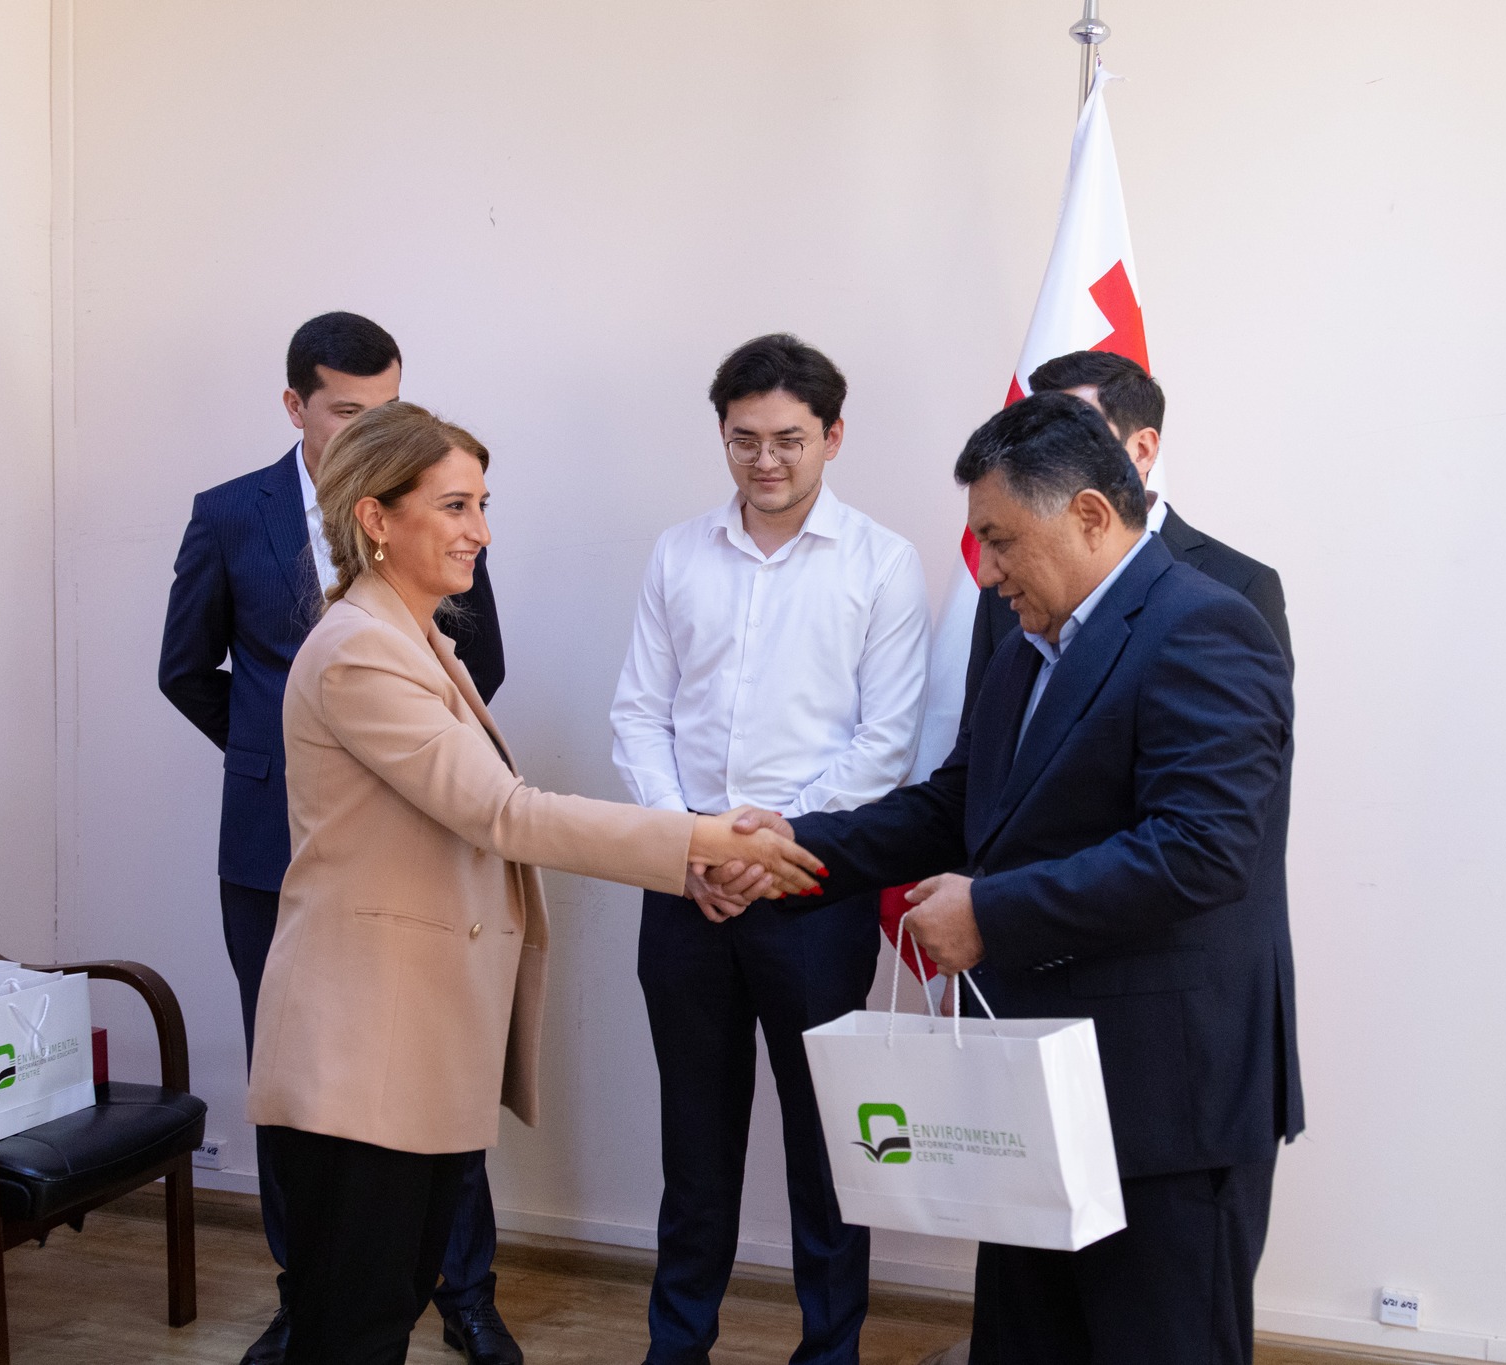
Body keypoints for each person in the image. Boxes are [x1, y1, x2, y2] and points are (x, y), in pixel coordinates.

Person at [246, 400, 825, 1365]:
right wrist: (696, 838)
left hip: (413, 1039)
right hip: (361, 1045)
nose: (481, 531)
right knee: (352, 1327)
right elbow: (503, 813)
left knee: (383, 1310)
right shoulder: (359, 651)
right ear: (376, 518)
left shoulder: (417, 638)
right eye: (456, 506)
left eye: (483, 505)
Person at [737, 392, 1300, 1364]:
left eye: (999, 541)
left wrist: (990, 913)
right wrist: (788, 848)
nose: (986, 571)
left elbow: (1202, 849)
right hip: (1036, 1095)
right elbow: (951, 807)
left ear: (1089, 514)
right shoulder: (1025, 648)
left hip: (1167, 1105)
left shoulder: (1206, 626)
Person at [158, 313, 509, 1365]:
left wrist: (398, 761)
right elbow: (185, 670)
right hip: (269, 850)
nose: (371, 428)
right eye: (348, 411)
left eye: (387, 407)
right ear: (294, 406)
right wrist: (292, 758)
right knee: (298, 1092)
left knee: (432, 1069)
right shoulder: (230, 514)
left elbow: (478, 660)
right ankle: (305, 1294)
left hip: (414, 841)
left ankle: (466, 1292)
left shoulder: (432, 501)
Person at [610, 333, 929, 1365]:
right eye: (744, 438)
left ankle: (828, 1352)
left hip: (817, 893)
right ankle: (676, 1349)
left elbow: (886, 742)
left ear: (832, 436)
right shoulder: (678, 554)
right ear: (722, 435)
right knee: (694, 1152)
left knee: (830, 1150)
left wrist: (771, 846)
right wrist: (691, 845)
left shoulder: (882, 564)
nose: (766, 460)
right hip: (685, 889)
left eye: (789, 438)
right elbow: (638, 715)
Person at [963, 350, 1290, 716]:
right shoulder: (1009, 583)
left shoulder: (1238, 589)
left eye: (1074, 438)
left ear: (1143, 450)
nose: (1042, 461)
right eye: (1034, 443)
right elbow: (980, 741)